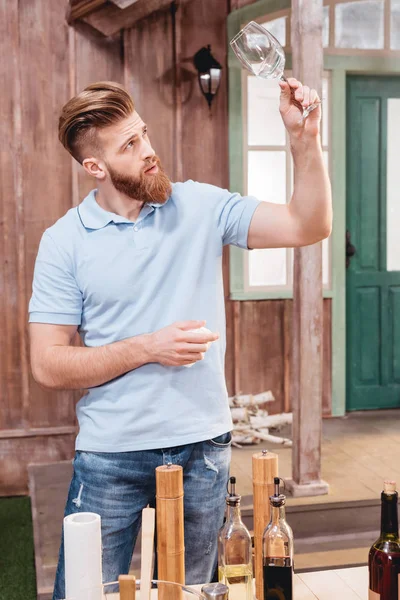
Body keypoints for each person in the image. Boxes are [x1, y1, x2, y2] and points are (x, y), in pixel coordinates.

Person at [28, 79, 331, 599]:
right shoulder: (63, 243)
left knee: (193, 594)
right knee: (81, 593)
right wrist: (148, 348)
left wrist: (305, 140)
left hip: (203, 450)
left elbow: (309, 225)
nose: (148, 152)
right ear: (94, 168)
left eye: (143, 134)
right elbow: (48, 364)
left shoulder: (200, 206)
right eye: (129, 146)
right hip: (110, 454)